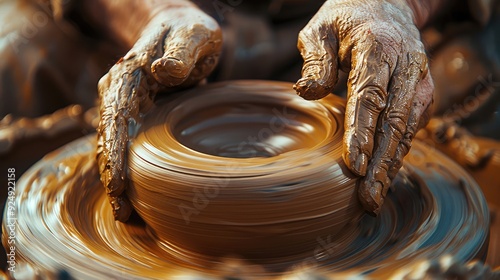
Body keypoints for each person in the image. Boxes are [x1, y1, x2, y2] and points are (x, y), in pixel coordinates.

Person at [0, 0, 493, 222]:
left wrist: (396, 5)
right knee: (14, 55)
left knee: (475, 75)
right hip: (167, 23)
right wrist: (155, 13)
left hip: (354, 29)